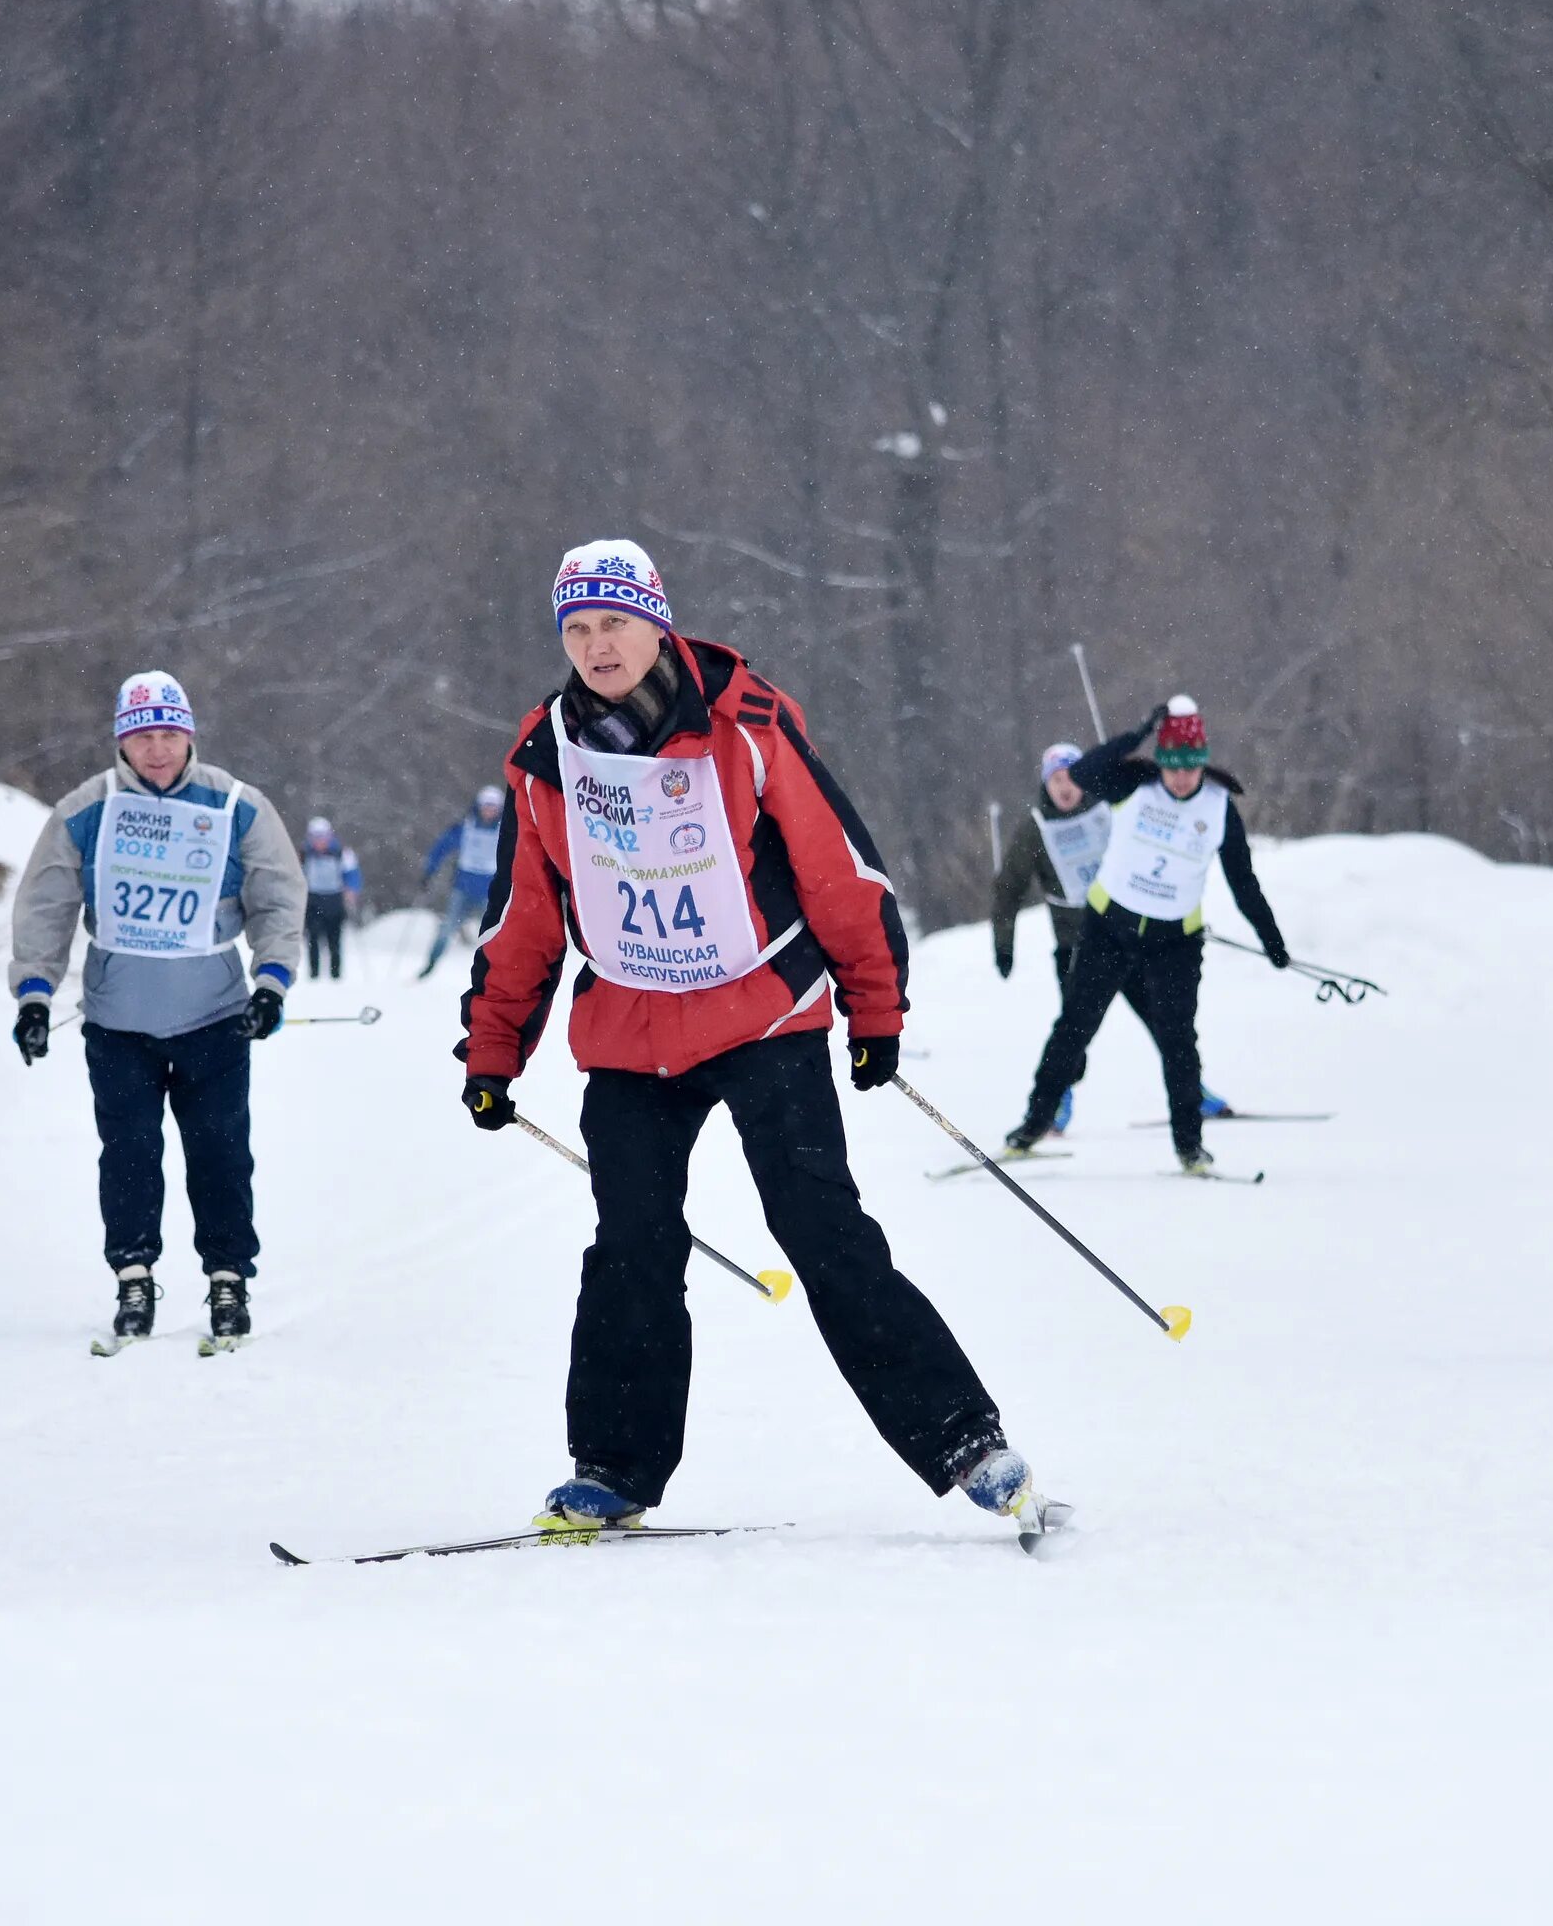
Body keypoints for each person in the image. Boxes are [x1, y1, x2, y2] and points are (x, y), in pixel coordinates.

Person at [456, 538, 1047, 1537]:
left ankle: (968, 1441)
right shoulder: (546, 753)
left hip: (761, 1014)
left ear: (658, 624)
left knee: (822, 1231)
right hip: (631, 1032)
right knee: (631, 1247)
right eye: (581, 628)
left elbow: (838, 873)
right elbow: (524, 916)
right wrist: (492, 1051)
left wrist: (875, 1009)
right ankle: (612, 1468)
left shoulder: (747, 724)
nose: (600, 646)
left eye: (617, 624)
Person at [8, 671, 305, 1349]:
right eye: (143, 736)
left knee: (221, 1154)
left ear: (190, 733)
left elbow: (278, 897)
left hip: (215, 1019)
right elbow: (46, 904)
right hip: (119, 1022)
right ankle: (133, 1277)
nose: (158, 749)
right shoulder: (88, 809)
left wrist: (272, 984)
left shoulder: (236, 806)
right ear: (121, 741)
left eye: (170, 733)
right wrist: (34, 995)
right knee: (130, 1155)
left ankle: (229, 1279)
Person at [1004, 697, 1291, 1174]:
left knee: (1178, 1040)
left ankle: (1190, 1148)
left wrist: (1272, 941)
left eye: (1190, 767)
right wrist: (1139, 733)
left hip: (1175, 943)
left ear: (1202, 763)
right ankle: (1032, 1126)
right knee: (1075, 1026)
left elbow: (1245, 885)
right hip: (1108, 929)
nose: (1180, 777)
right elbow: (1084, 771)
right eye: (1172, 765)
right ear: (1161, 762)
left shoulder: (1219, 808)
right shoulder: (1134, 783)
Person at [988, 739, 1234, 1135]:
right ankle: (1056, 1105)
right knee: (1073, 1033)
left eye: (1070, 777)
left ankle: (1194, 1093)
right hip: (1076, 947)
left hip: (1129, 939)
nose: (1065, 787)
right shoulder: (1035, 829)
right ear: (1045, 785)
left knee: (1165, 1022)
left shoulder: (1112, 807)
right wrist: (1004, 947)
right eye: (1055, 780)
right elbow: (1007, 890)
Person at [416, 785, 505, 977]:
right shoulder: (466, 827)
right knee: (447, 928)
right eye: (486, 806)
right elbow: (441, 847)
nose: (489, 811)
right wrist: (429, 872)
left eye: (493, 807)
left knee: (495, 933)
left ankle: (496, 971)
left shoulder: (504, 830)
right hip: (463, 889)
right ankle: (430, 965)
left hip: (489, 892)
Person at [300, 817, 362, 980]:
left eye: (322, 836)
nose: (319, 841)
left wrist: (351, 890)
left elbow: (352, 874)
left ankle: (336, 975)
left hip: (334, 900)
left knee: (334, 939)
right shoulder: (304, 854)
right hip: (312, 899)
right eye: (315, 837)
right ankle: (314, 975)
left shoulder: (342, 853)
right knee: (313, 938)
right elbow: (297, 875)